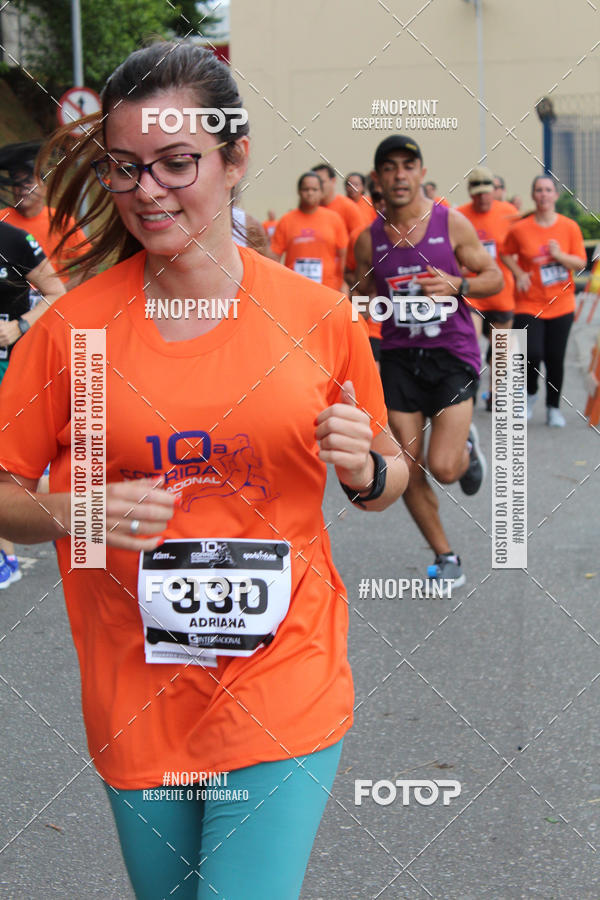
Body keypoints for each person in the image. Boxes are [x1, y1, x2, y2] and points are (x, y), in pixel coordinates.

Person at [0, 41, 407, 900]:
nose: (148, 190)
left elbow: (390, 470)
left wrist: (368, 469)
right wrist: (74, 510)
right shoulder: (70, 331)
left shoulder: (317, 316)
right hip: (136, 691)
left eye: (177, 163)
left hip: (284, 675)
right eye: (123, 168)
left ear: (235, 160)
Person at [353, 135, 502, 593]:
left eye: (408, 166)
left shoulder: (451, 224)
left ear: (420, 172)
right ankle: (446, 554)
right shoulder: (367, 241)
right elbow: (360, 296)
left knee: (444, 467)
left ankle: (467, 452)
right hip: (399, 360)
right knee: (406, 466)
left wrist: (457, 284)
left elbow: (495, 277)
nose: (399, 175)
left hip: (452, 356)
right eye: (390, 168)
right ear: (377, 178)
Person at [0, 219, 65, 587]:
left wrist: (20, 326)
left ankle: (79, 506)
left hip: (9, 367)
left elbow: (58, 292)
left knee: (9, 474)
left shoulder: (13, 239)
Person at [501, 174, 586, 426]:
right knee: (531, 353)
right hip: (529, 302)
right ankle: (530, 394)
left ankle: (553, 408)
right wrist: (518, 273)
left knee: (554, 358)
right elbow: (505, 253)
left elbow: (581, 262)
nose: (543, 195)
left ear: (556, 196)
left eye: (548, 190)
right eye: (539, 190)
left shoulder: (569, 227)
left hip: (561, 303)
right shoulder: (520, 229)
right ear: (533, 195)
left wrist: (559, 255)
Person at [457, 166, 518, 410]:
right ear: (470, 193)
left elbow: (519, 248)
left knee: (500, 348)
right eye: (478, 193)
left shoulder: (509, 213)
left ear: (494, 191)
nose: (483, 198)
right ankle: (467, 391)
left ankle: (495, 394)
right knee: (471, 340)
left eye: (487, 192)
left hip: (501, 292)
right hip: (472, 290)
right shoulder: (459, 216)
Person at [0, 141, 92, 286]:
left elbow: (90, 266)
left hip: (50, 303)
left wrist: (60, 294)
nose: (22, 188)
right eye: (17, 182)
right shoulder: (2, 220)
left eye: (28, 181)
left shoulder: (62, 222)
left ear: (44, 188)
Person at [271, 171, 348, 289]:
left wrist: (340, 282)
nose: (310, 193)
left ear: (321, 192)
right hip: (295, 288)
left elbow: (343, 255)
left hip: (328, 289)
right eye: (305, 189)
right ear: (298, 191)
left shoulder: (334, 219)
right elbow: (274, 258)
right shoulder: (286, 220)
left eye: (314, 189)